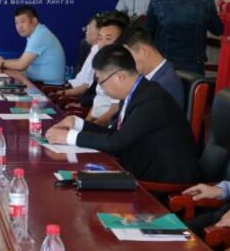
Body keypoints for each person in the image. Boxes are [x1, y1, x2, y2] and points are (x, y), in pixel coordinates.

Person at [46, 45, 198, 184]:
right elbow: (116, 134)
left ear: (120, 76)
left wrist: (69, 137)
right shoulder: (136, 93)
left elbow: (117, 143)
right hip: (139, 169)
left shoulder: (150, 99)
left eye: (101, 82)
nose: (101, 88)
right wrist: (78, 124)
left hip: (161, 183)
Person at [145, 0, 223, 75]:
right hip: (194, 64)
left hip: (165, 63)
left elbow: (149, 30)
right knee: (194, 88)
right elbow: (218, 30)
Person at [0, 6, 66, 86]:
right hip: (39, 83)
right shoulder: (38, 32)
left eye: (23, 22)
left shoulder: (40, 36)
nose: (19, 26)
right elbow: (21, 61)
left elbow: (21, 65)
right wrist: (2, 62)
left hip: (48, 87)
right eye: (16, 23)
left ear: (34, 21)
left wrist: (1, 63)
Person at [123, 26, 184, 110]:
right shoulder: (156, 76)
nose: (127, 63)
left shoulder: (165, 83)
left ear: (144, 52)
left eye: (129, 56)